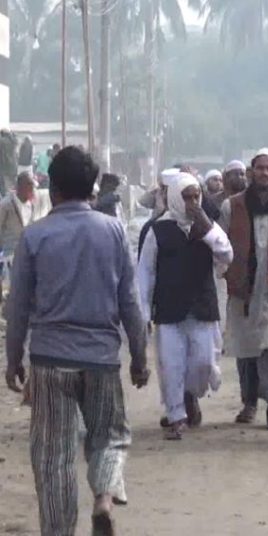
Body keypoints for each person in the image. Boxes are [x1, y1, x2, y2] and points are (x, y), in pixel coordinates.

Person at [4, 146, 150, 536]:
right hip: (101, 358)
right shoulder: (113, 232)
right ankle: (104, 497)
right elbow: (130, 302)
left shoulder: (35, 236)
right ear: (92, 189)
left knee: (53, 456)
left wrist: (14, 359)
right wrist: (139, 356)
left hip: (49, 360)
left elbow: (17, 307)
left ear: (53, 189)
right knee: (111, 437)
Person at [137, 173, 233, 440]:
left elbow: (226, 254)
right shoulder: (158, 230)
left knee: (204, 363)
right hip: (169, 308)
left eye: (195, 197)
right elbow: (145, 273)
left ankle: (191, 395)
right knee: (171, 365)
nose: (192, 203)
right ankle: (176, 415)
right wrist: (143, 313)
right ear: (174, 198)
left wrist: (207, 227)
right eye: (186, 197)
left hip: (201, 307)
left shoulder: (208, 226)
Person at [220, 148, 268, 429]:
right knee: (246, 348)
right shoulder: (232, 206)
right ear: (251, 171)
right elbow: (221, 247)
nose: (265, 173)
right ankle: (249, 402)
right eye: (260, 168)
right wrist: (229, 275)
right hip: (244, 287)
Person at [0, 172, 51, 300]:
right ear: (21, 187)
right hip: (11, 252)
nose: (33, 190)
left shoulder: (33, 205)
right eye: (30, 186)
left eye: (33, 187)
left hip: (29, 251)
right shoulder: (6, 205)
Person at [0, 129, 18, 196]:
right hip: (13, 166)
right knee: (13, 184)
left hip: (5, 167)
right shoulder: (14, 141)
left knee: (6, 186)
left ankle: (7, 198)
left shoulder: (2, 141)